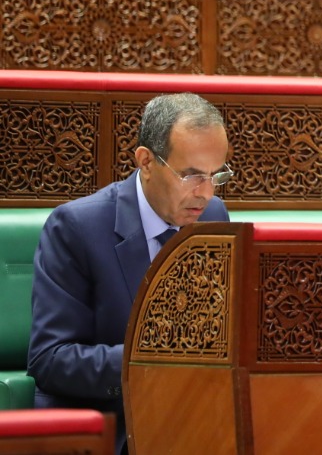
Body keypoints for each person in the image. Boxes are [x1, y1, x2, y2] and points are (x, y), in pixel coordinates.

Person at [28, 93, 233, 455]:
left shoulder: (214, 216)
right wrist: (156, 363)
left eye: (216, 175)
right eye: (191, 175)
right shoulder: (76, 227)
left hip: (188, 425)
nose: (205, 192)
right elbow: (50, 359)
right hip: (108, 428)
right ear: (146, 162)